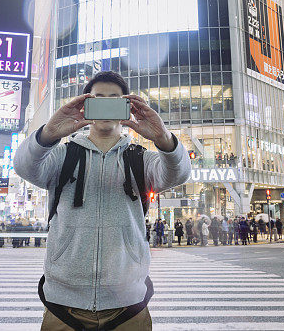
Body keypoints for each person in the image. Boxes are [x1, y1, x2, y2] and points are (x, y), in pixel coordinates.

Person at [14, 71, 190, 330]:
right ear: (86, 104)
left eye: (114, 98)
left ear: (127, 106)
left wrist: (162, 137)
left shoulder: (141, 158)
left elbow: (179, 173)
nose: (107, 104)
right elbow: (24, 167)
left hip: (128, 306)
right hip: (63, 305)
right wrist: (50, 132)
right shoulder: (62, 155)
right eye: (98, 98)